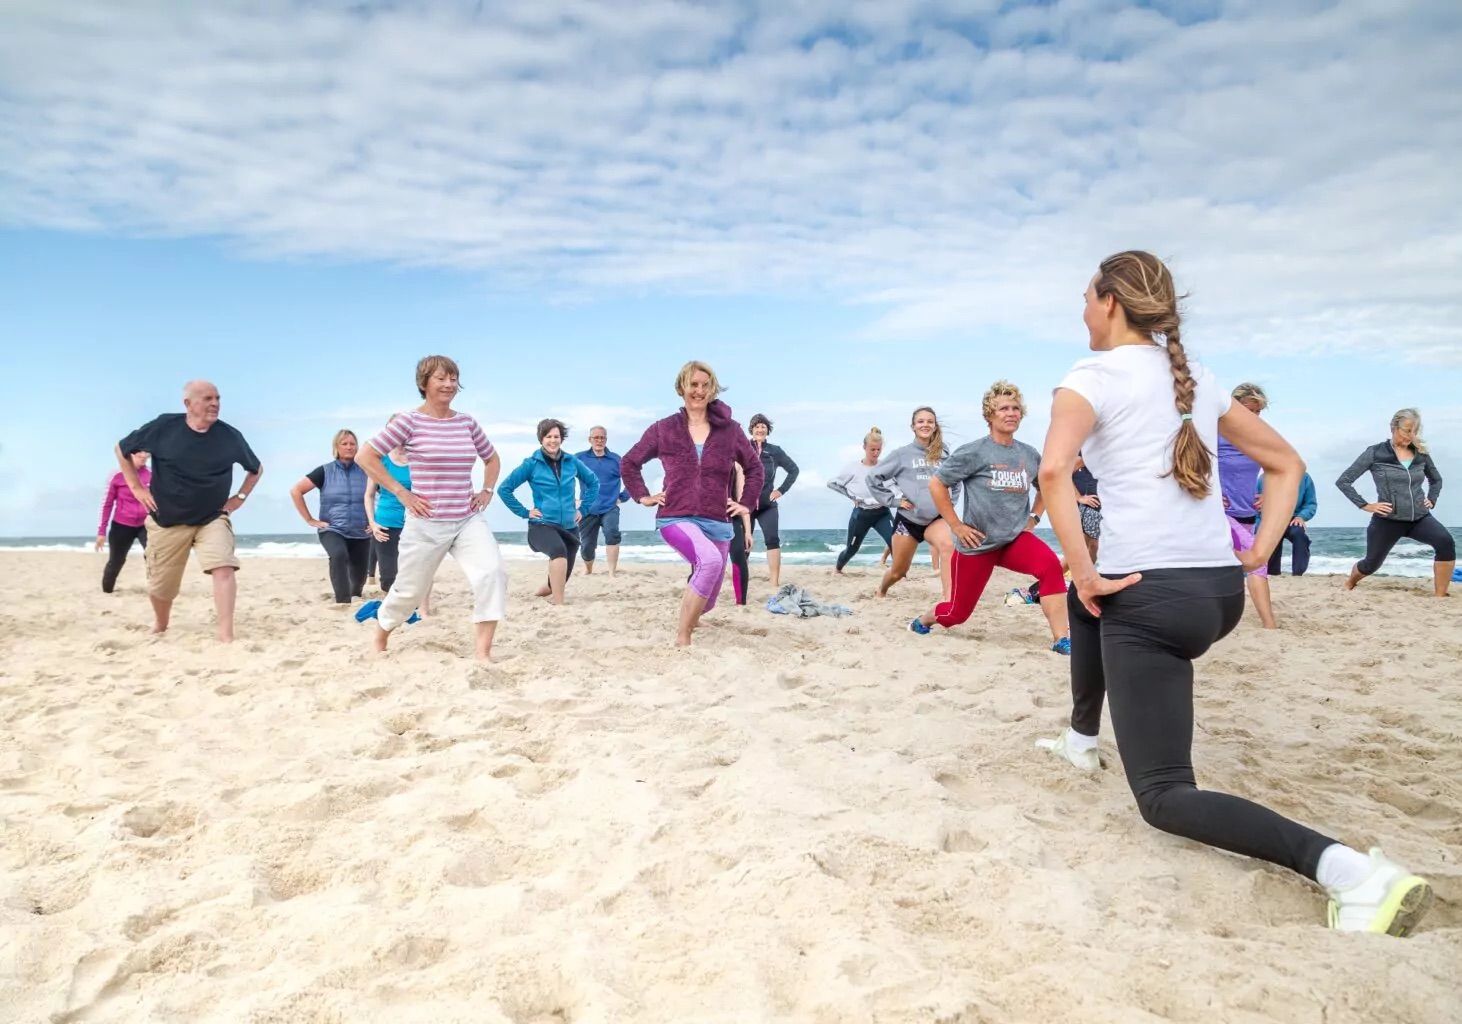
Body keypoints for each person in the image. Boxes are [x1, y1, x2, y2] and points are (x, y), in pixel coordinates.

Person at [1034, 250, 1431, 936]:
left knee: (1162, 796)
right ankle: (1078, 736)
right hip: (1218, 596)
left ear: (1110, 302)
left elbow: (1052, 472)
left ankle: (1350, 872)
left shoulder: (1088, 377)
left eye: (1085, 297)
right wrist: (1257, 552)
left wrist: (1082, 565)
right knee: (1086, 605)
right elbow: (1288, 464)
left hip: (1153, 602)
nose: (1080, 310)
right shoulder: (1197, 379)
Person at [357, 355, 507, 661]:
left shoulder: (466, 423)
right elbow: (366, 456)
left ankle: (482, 652)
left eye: (453, 378)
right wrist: (401, 492)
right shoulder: (409, 422)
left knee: (492, 573)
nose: (449, 384)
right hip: (426, 522)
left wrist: (486, 490)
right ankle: (381, 634)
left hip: (467, 519)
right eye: (441, 378)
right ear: (424, 383)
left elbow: (491, 458)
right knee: (409, 591)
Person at [908, 382, 1070, 654]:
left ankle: (1061, 639)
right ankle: (923, 620)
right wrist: (956, 525)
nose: (1011, 413)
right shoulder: (975, 452)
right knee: (955, 614)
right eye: (1003, 408)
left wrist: (1034, 517)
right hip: (978, 544)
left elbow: (1045, 487)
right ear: (989, 415)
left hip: (1014, 540)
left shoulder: (1028, 454)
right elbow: (937, 484)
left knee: (1051, 566)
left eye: (1016, 408)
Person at [621, 361, 762, 646]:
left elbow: (754, 468)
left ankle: (692, 615)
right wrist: (642, 495)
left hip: (718, 520)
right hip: (676, 515)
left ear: (712, 390)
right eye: (693, 384)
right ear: (681, 388)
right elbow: (629, 462)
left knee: (708, 601)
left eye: (704, 385)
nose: (699, 390)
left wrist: (746, 502)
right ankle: (682, 637)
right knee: (708, 562)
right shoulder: (664, 429)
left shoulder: (730, 431)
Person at [114, 380, 262, 642]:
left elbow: (255, 468)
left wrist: (239, 497)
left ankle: (225, 636)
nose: (215, 403)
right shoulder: (164, 427)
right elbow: (121, 449)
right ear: (188, 404)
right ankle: (161, 623)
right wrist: (136, 487)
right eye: (207, 398)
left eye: (217, 398)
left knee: (224, 566)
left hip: (212, 517)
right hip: (168, 520)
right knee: (162, 588)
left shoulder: (229, 436)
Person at [1338, 408, 1452, 596]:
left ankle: (1440, 596)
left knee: (1445, 542)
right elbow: (1344, 481)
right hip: (1387, 520)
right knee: (1371, 564)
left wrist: (1432, 498)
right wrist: (1365, 505)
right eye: (1407, 430)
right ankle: (1351, 581)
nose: (1411, 435)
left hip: (1420, 518)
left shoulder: (1420, 453)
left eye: (1415, 431)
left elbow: (1436, 479)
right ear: (1394, 427)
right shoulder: (1375, 453)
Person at [500, 419, 599, 605]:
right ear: (541, 439)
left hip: (570, 527)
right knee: (558, 552)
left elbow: (593, 483)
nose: (553, 440)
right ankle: (559, 604)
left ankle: (542, 594)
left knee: (554, 583)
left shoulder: (572, 462)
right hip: (542, 525)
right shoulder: (531, 464)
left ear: (561, 439)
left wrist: (584, 509)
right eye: (548, 436)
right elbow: (504, 489)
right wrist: (525, 512)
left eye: (556, 436)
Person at [867, 407, 956, 599]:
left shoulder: (944, 454)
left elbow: (956, 481)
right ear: (913, 427)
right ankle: (881, 590)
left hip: (936, 518)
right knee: (899, 572)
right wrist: (893, 501)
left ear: (934, 426)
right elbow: (873, 478)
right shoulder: (902, 454)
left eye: (930, 421)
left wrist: (950, 504)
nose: (925, 424)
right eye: (921, 421)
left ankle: (948, 600)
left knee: (948, 546)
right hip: (908, 521)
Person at [1218, 383, 1278, 628]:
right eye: (1249, 411)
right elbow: (1190, 465)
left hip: (1247, 512)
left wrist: (1269, 494)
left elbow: (1279, 466)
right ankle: (1269, 624)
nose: (1253, 418)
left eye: (1258, 413)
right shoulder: (1213, 432)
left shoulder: (1260, 437)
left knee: (1226, 565)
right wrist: (1209, 494)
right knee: (1256, 563)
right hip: (1220, 513)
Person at [289, 430, 372, 604]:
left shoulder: (367, 471)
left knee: (357, 583)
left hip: (361, 531)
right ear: (336, 447)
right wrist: (310, 519)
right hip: (333, 529)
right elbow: (296, 491)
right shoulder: (324, 471)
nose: (349, 447)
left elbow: (384, 495)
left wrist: (374, 522)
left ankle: (352, 594)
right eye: (344, 443)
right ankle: (342, 602)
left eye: (352, 443)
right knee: (338, 555)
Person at [828, 427, 894, 573]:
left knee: (895, 542)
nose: (876, 453)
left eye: (878, 450)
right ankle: (838, 569)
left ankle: (901, 574)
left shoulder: (885, 466)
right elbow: (832, 483)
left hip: (882, 513)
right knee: (852, 549)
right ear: (864, 447)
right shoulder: (853, 467)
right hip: (861, 515)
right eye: (872, 450)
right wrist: (852, 497)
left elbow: (896, 484)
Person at [747, 414, 800, 589]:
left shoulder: (775, 451)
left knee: (772, 540)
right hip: (745, 506)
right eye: (757, 426)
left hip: (767, 506)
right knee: (742, 544)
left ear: (767, 430)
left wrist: (781, 490)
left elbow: (793, 470)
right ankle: (741, 579)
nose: (760, 429)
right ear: (751, 429)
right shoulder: (743, 447)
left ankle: (774, 583)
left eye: (763, 426)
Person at [575, 426, 632, 576]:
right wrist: (572, 500)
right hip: (587, 509)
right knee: (587, 545)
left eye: (602, 438)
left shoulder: (616, 459)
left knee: (612, 533)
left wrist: (622, 498)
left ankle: (612, 572)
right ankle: (588, 569)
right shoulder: (579, 458)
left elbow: (632, 481)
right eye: (596, 437)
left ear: (606, 439)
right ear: (590, 440)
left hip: (610, 507)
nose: (599, 440)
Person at [97, 450, 152, 593]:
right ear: (130, 456)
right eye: (140, 456)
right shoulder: (117, 476)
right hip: (121, 525)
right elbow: (107, 504)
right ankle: (107, 591)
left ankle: (156, 589)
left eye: (146, 457)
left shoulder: (152, 475)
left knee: (153, 557)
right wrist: (101, 532)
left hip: (145, 524)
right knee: (116, 561)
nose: (143, 459)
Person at [1257, 470, 1316, 576]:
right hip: (1271, 519)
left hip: (1293, 518)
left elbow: (1310, 504)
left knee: (1298, 534)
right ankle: (1273, 572)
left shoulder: (1304, 477)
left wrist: (1301, 516)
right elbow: (1255, 505)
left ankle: (1298, 574)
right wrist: (1259, 526)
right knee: (1272, 538)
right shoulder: (1263, 479)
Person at [728, 461, 756, 605]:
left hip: (731, 518)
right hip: (706, 518)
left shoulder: (736, 465)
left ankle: (741, 602)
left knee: (739, 556)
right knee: (702, 562)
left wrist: (748, 531)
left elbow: (741, 500)